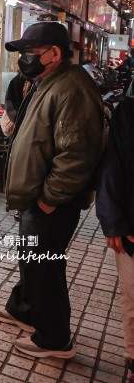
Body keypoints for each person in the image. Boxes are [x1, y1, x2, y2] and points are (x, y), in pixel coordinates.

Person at [0, 22, 105, 359]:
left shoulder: (72, 87)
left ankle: (55, 339)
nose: (24, 60)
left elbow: (78, 152)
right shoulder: (49, 82)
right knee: (33, 260)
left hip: (51, 200)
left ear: (55, 53)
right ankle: (25, 310)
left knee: (44, 266)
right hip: (36, 195)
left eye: (31, 53)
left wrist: (49, 199)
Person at [96, 95, 134, 376]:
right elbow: (112, 167)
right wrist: (113, 221)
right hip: (131, 232)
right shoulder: (129, 111)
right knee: (132, 299)